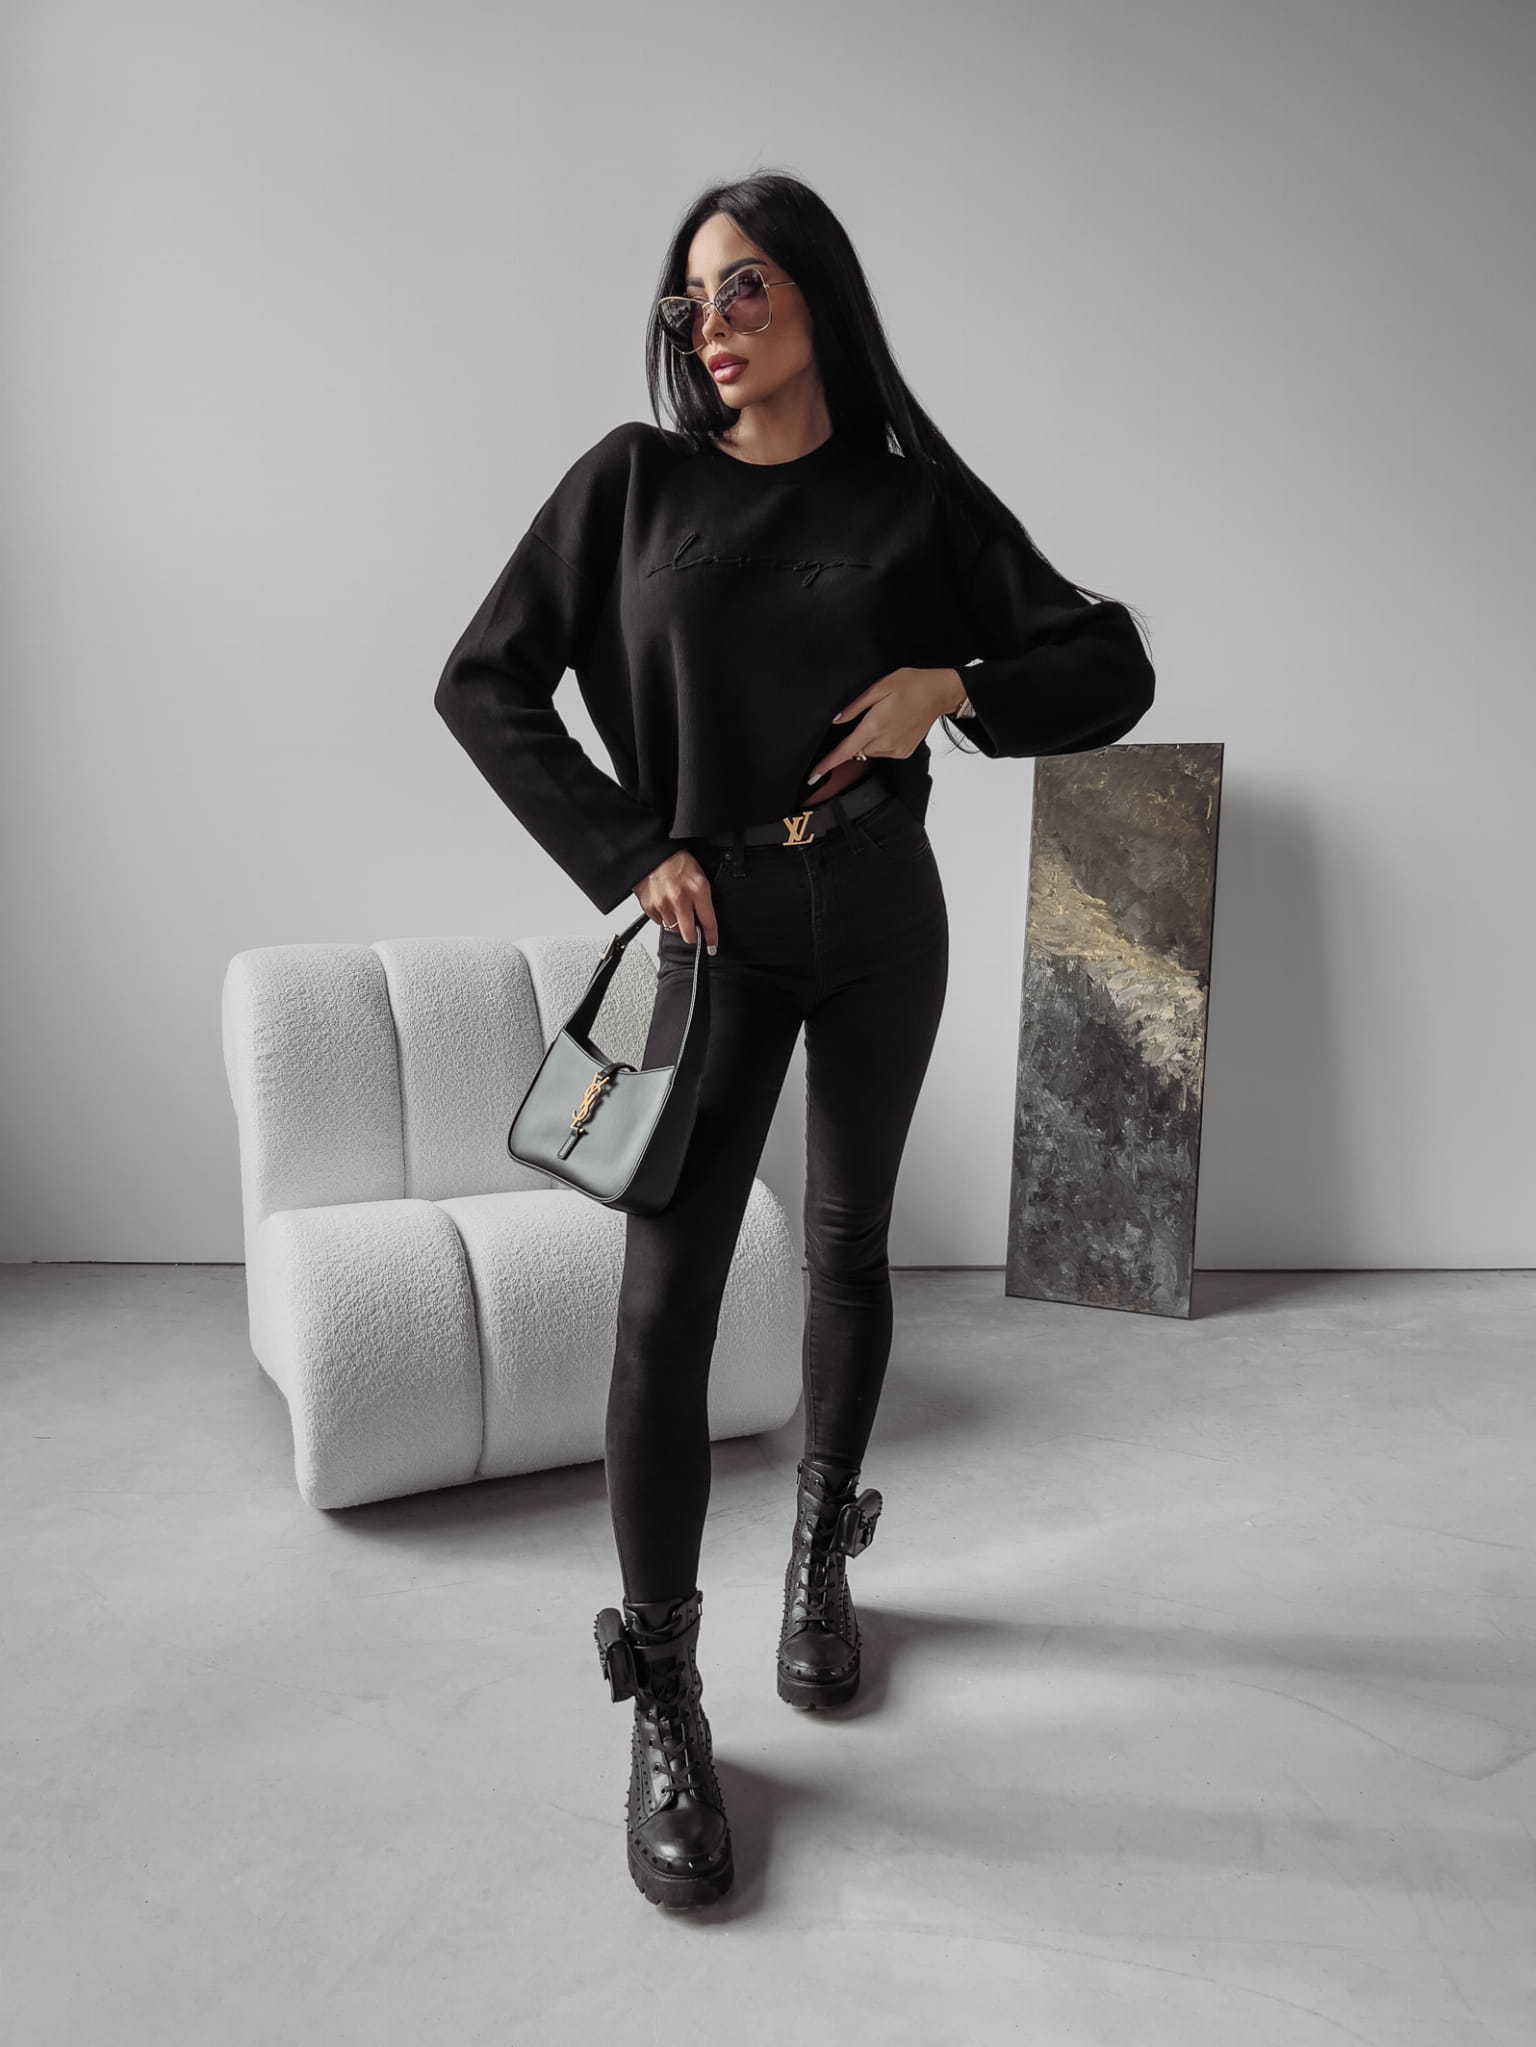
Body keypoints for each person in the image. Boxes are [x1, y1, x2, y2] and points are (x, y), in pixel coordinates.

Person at [434, 171, 1156, 1911]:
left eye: (746, 285)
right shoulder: (634, 484)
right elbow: (484, 681)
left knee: (846, 1241)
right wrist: (632, 851)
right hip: (720, 932)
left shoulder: (912, 504)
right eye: (691, 299)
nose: (714, 323)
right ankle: (664, 1695)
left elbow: (1110, 664)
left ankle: (822, 1555)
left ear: (819, 294)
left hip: (885, 910)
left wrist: (951, 689)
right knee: (665, 1300)